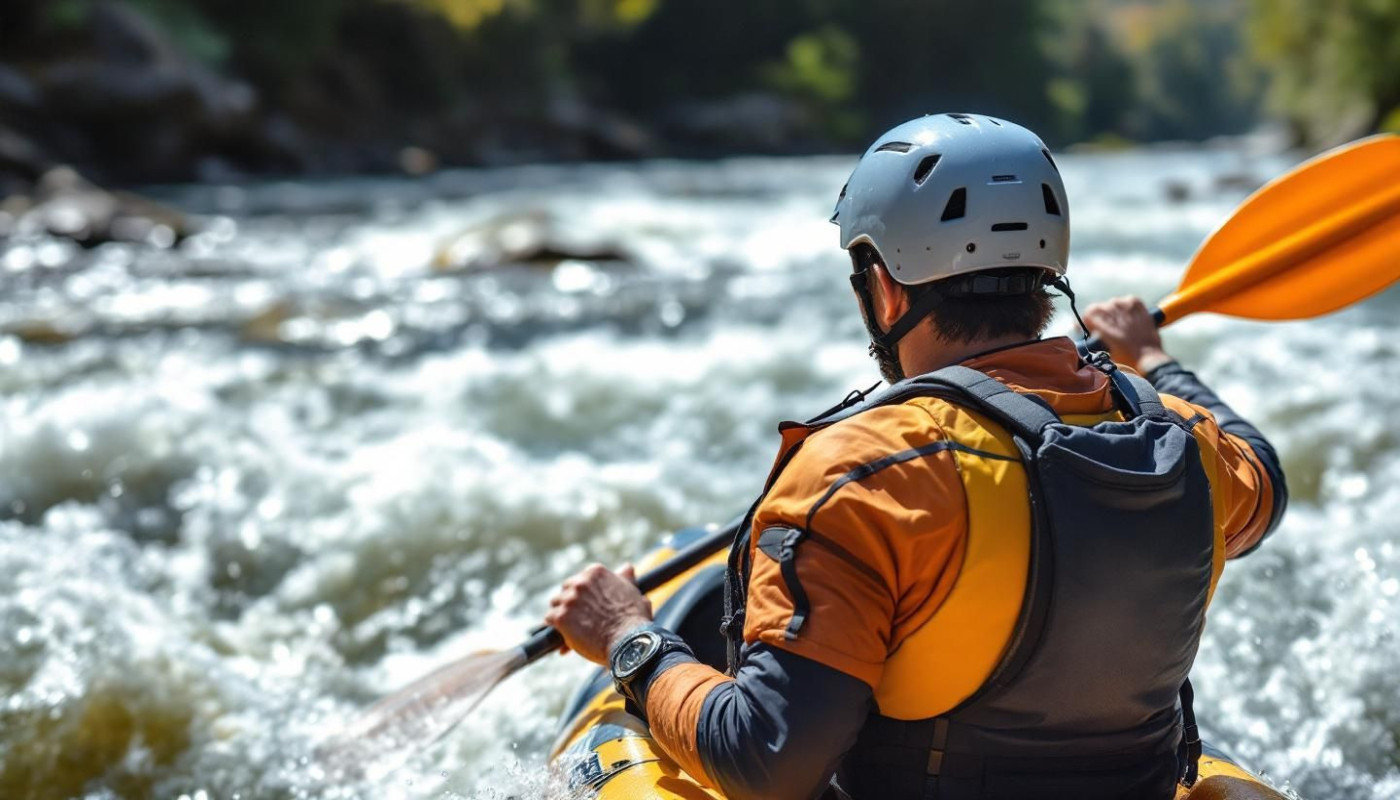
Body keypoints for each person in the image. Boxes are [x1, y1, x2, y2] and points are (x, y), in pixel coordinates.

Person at [545, 114, 1287, 800]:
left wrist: (628, 637)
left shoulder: (861, 476)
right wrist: (1154, 361)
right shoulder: (1186, 444)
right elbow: (1266, 481)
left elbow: (765, 759)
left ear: (887, 291)